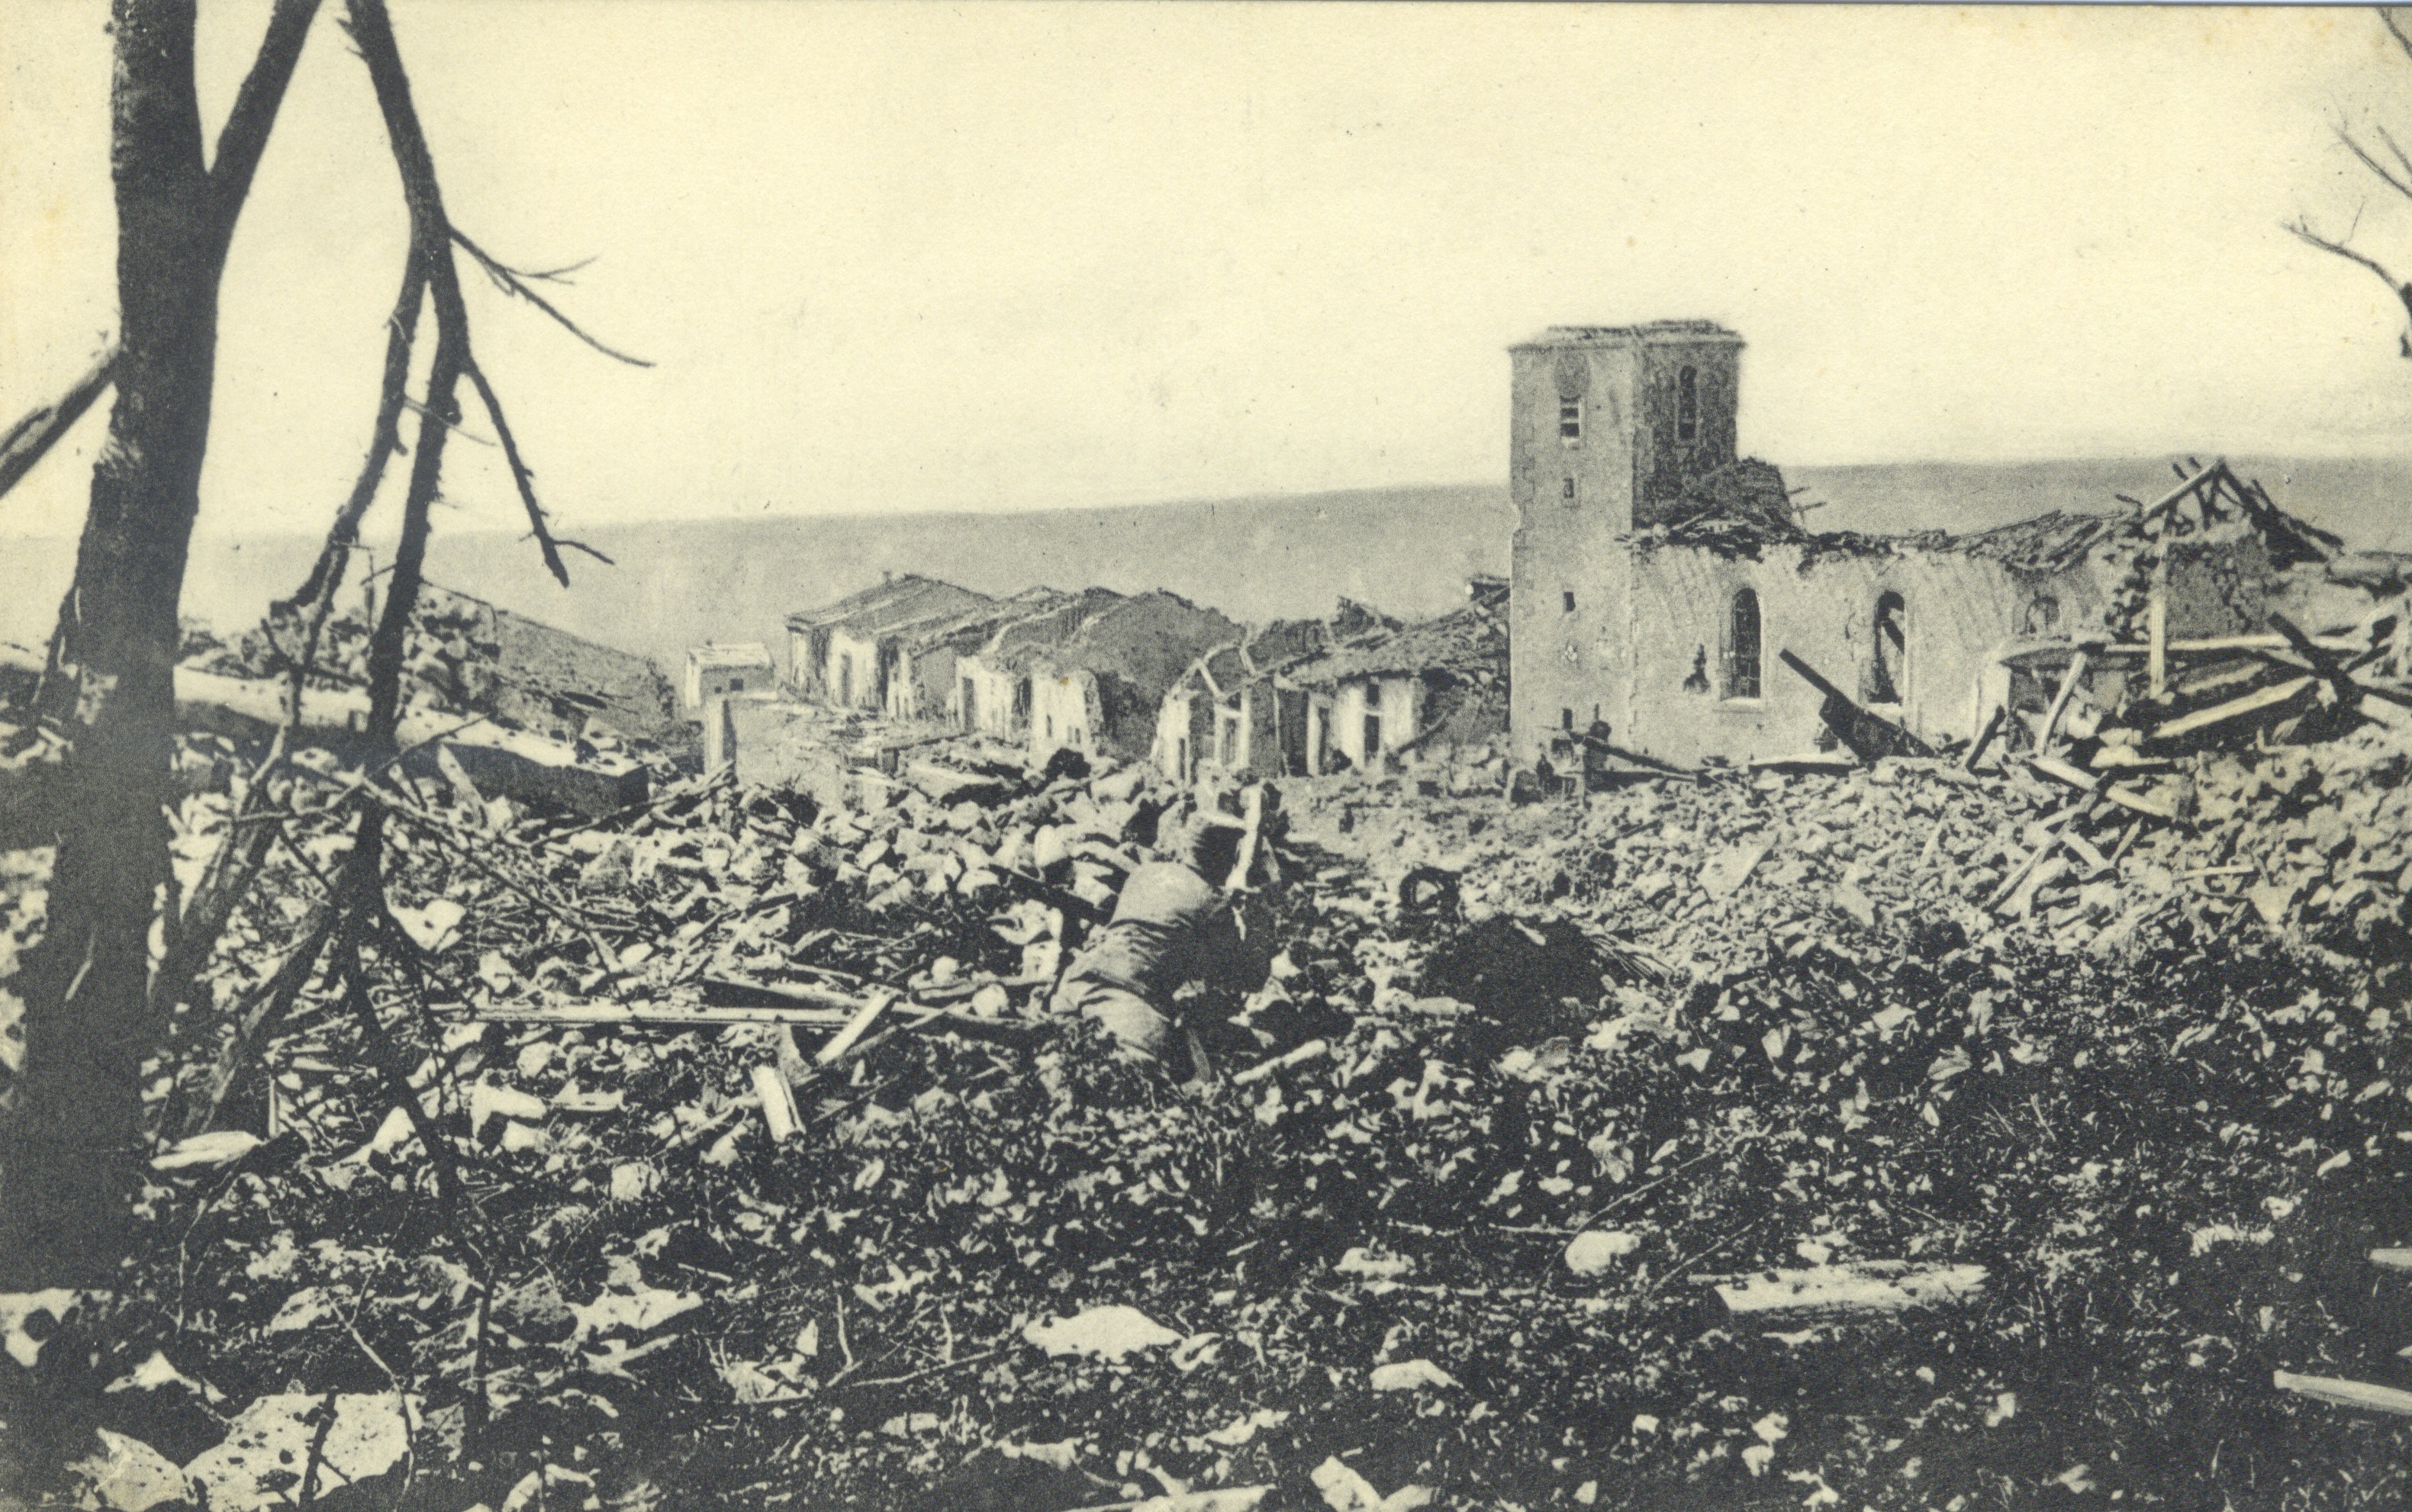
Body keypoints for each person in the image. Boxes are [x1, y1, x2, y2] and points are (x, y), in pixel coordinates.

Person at [1049, 806, 1274, 1079]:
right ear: (1224, 860)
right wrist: (1260, 919)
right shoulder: (1213, 904)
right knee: (1134, 1089)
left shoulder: (1144, 874)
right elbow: (1247, 979)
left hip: (1073, 985)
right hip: (1126, 1002)